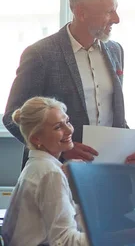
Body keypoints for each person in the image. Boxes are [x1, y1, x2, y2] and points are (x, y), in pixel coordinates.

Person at [2, 0, 135, 166]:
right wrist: (62, 148)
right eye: (109, 12)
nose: (116, 19)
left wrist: (127, 147)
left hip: (109, 170)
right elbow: (13, 117)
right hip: (57, 173)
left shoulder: (115, 50)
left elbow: (114, 112)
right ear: (81, 13)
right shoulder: (40, 54)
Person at [2, 97, 88, 246]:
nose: (69, 130)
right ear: (36, 139)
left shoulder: (38, 166)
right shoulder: (50, 173)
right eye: (58, 127)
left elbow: (72, 219)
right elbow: (64, 241)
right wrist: (111, 238)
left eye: (67, 122)